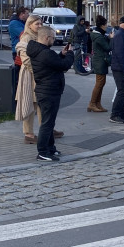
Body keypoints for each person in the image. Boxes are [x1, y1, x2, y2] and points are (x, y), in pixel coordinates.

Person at [27, 26, 75, 162]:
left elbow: (55, 63)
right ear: (47, 37)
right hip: (48, 91)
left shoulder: (41, 51)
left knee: (49, 122)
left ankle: (50, 148)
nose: (54, 40)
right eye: (53, 38)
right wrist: (70, 54)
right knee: (47, 123)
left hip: (47, 90)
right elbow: (64, 65)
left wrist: (61, 55)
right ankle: (42, 151)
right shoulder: (45, 53)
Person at [88, 14, 111, 113]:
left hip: (101, 61)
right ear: (102, 25)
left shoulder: (98, 34)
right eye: (106, 25)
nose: (107, 26)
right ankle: (92, 104)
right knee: (99, 83)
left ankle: (97, 103)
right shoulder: (98, 36)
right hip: (100, 61)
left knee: (101, 83)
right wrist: (111, 38)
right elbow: (107, 47)